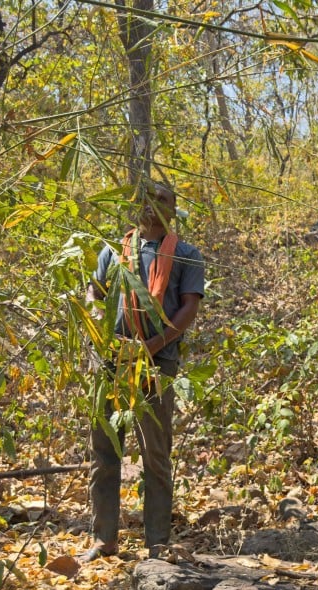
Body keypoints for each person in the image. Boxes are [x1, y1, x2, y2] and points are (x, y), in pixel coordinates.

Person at [81, 180, 205, 562]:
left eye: (162, 199)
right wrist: (103, 331)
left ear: (173, 210)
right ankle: (104, 539)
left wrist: (154, 345)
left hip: (158, 363)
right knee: (104, 451)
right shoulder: (113, 251)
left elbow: (188, 309)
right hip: (111, 362)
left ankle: (157, 542)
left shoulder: (186, 255)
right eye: (147, 197)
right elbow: (94, 295)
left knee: (155, 452)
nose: (153, 205)